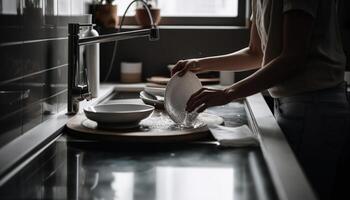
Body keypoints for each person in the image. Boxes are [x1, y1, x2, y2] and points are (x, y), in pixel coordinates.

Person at [171, 0, 350, 199]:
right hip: (294, 104)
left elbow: (293, 58)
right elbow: (255, 53)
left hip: (315, 106)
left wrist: (227, 93)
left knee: (300, 193)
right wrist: (199, 64)